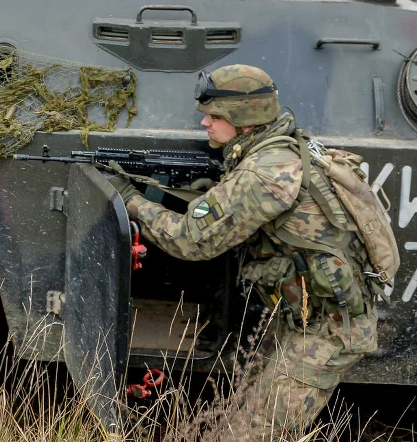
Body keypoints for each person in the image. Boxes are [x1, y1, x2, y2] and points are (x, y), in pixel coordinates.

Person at [114, 64, 379, 435]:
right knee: (231, 418)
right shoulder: (277, 147)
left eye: (214, 116)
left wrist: (128, 200)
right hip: (303, 322)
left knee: (250, 433)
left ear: (243, 119)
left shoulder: (265, 173)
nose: (205, 124)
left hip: (327, 334)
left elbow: (190, 240)